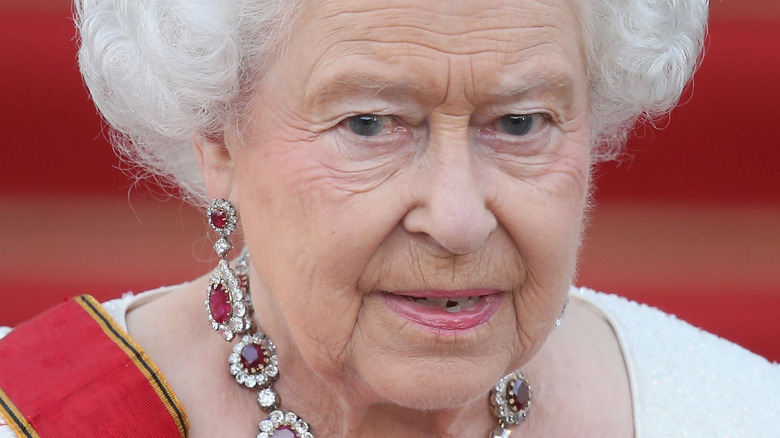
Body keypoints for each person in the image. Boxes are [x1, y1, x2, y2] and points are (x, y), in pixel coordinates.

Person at [0, 0, 777, 436]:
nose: (458, 218)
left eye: (519, 123)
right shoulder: (37, 419)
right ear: (217, 134)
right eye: (370, 124)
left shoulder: (732, 415)